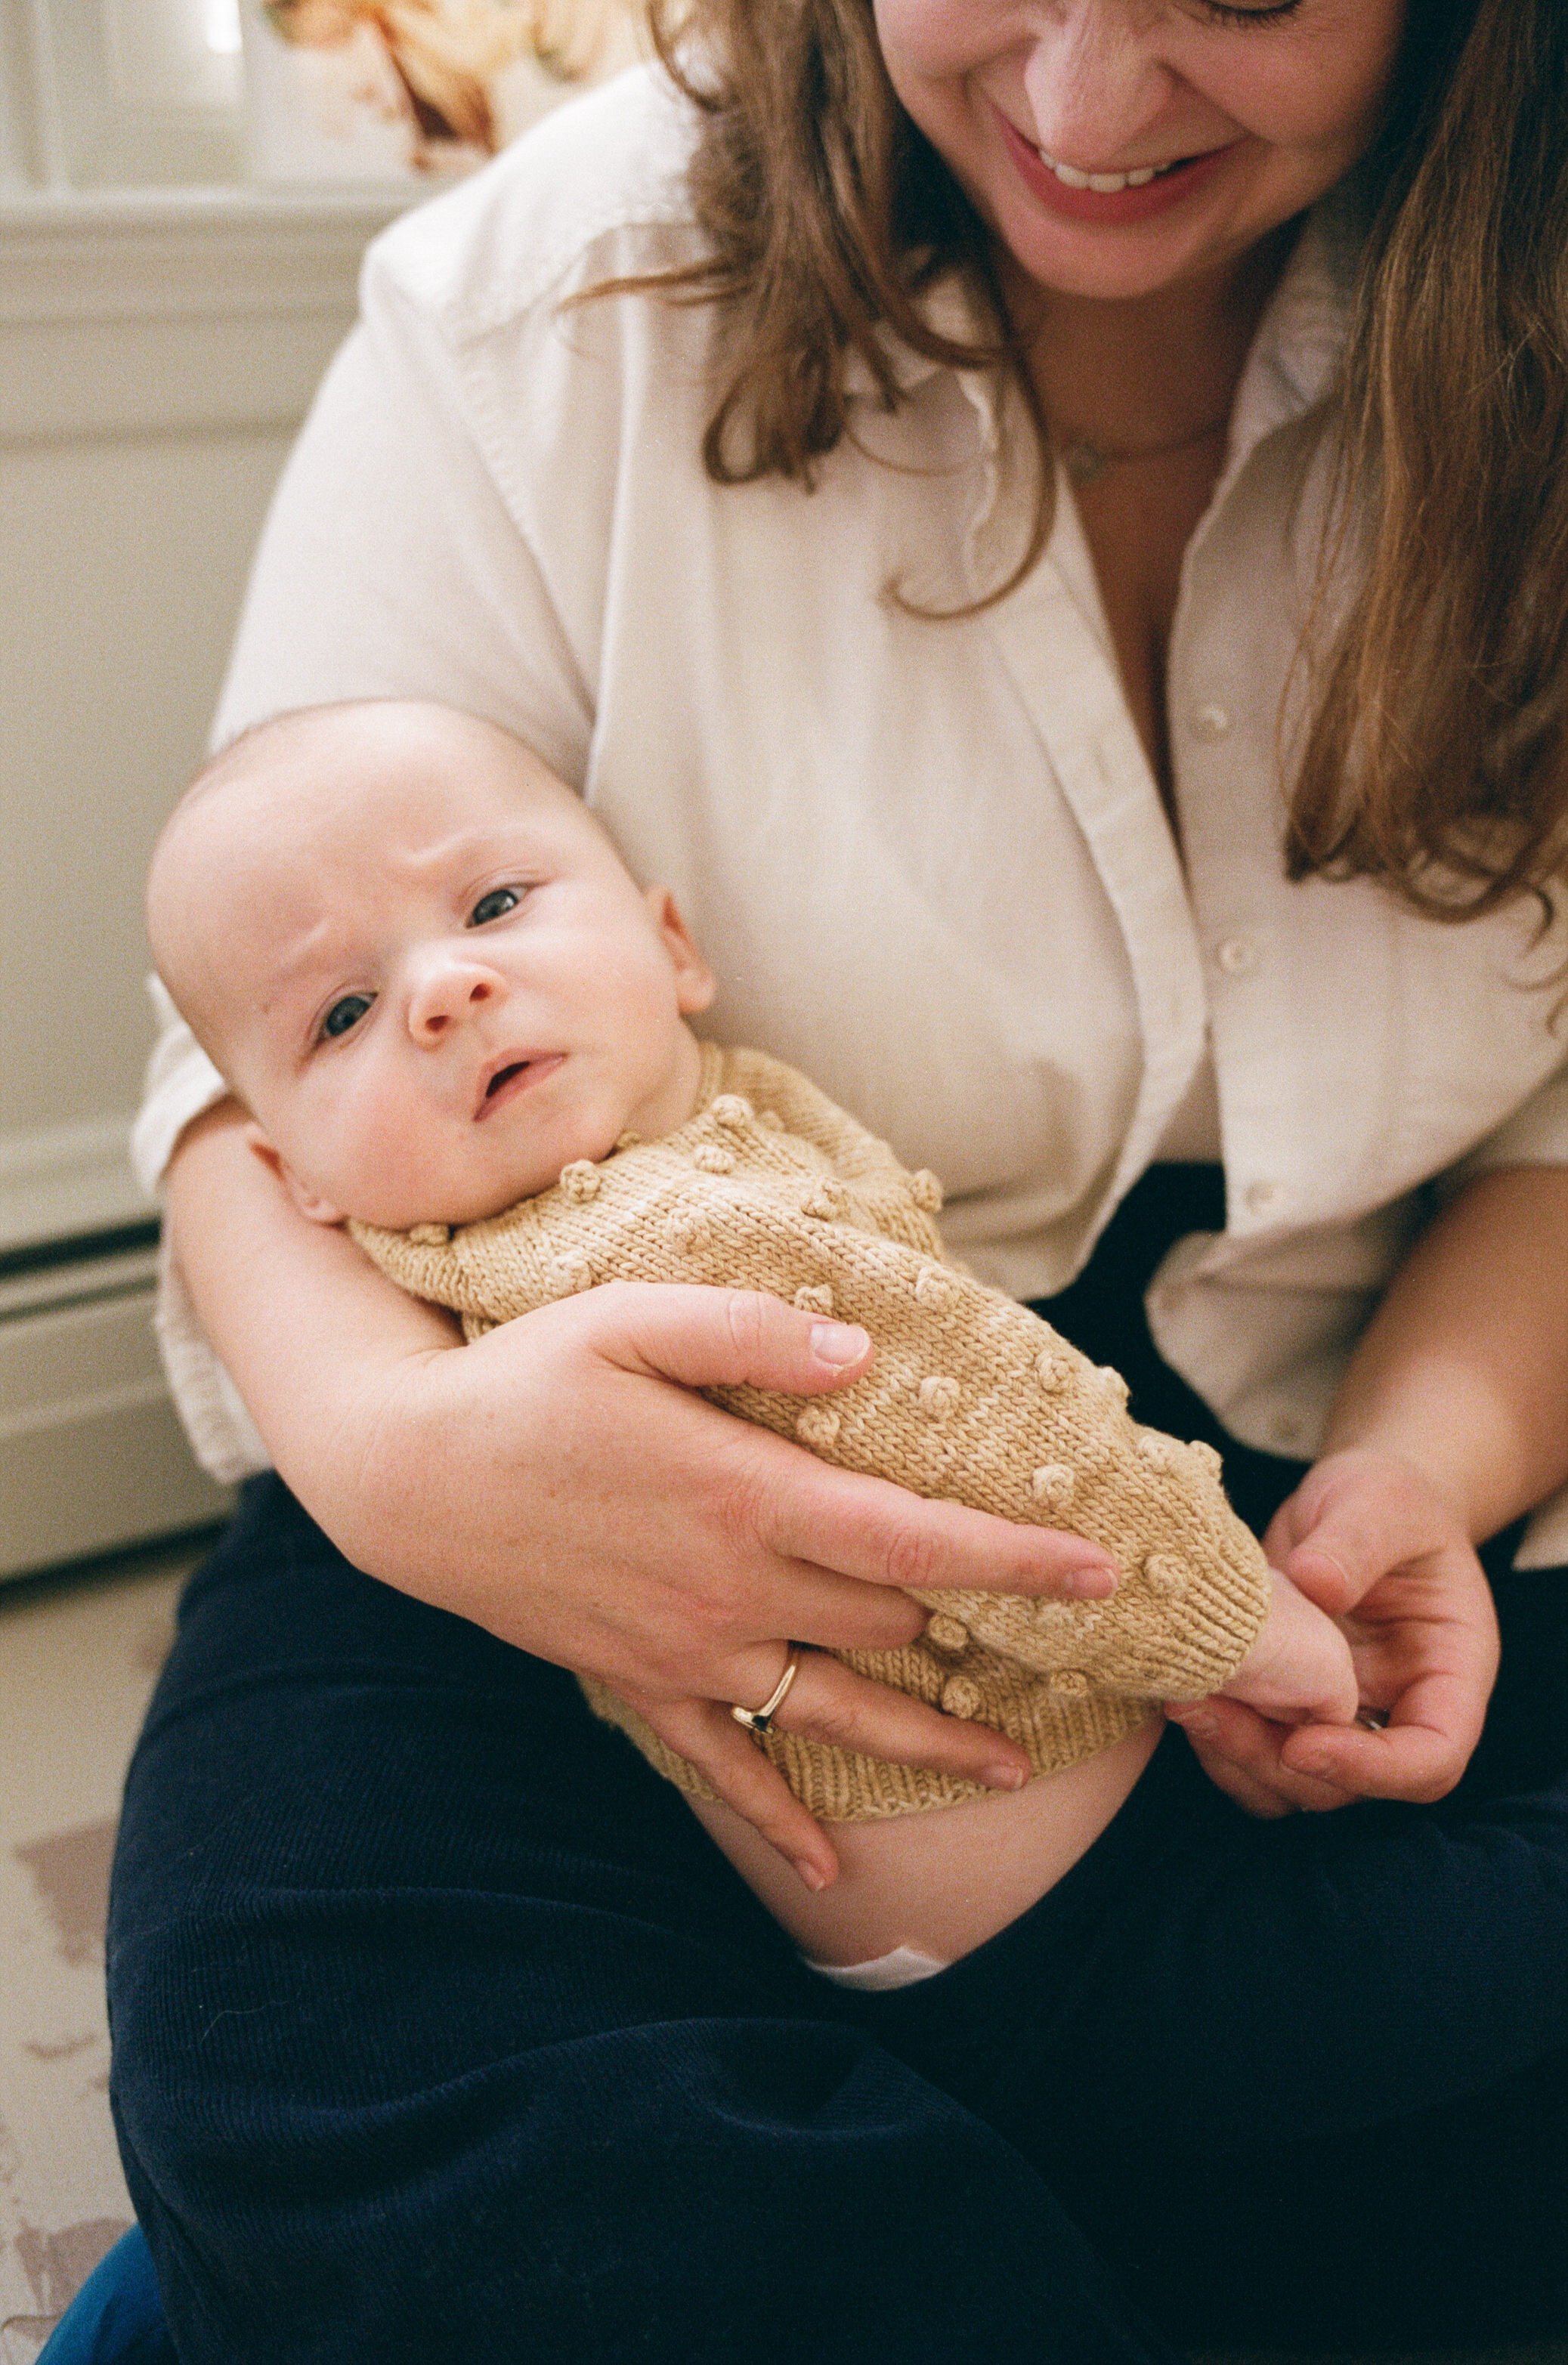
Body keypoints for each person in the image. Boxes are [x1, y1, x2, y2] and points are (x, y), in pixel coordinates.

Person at [110, 2, 1568, 2357]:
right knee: (335, 2072)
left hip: (1315, 1390)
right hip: (508, 1413)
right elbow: (249, 1053)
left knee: (1430, 2083)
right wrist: (401, 1461)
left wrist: (1426, 1461)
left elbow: (1550, 1130)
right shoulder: (533, 310)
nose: (1085, 111)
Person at [144, 695, 1362, 1973]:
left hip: (939, 1892)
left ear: (673, 945)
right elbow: (1000, 1441)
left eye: (494, 905)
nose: (445, 988)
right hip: (1098, 1907)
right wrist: (1245, 1625)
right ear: (300, 1182)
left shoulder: (552, 1198)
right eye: (341, 1016)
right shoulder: (664, 1229)